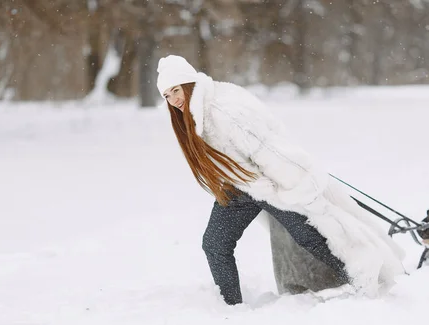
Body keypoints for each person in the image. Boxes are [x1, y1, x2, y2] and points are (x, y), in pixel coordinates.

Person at [156, 55, 405, 305]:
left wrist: (300, 185)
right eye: (167, 95)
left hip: (271, 184)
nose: (173, 99)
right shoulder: (197, 111)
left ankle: (364, 280)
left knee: (311, 236)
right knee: (214, 243)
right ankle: (230, 306)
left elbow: (269, 151)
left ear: (189, 84)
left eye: (176, 90)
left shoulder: (223, 111)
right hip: (240, 187)